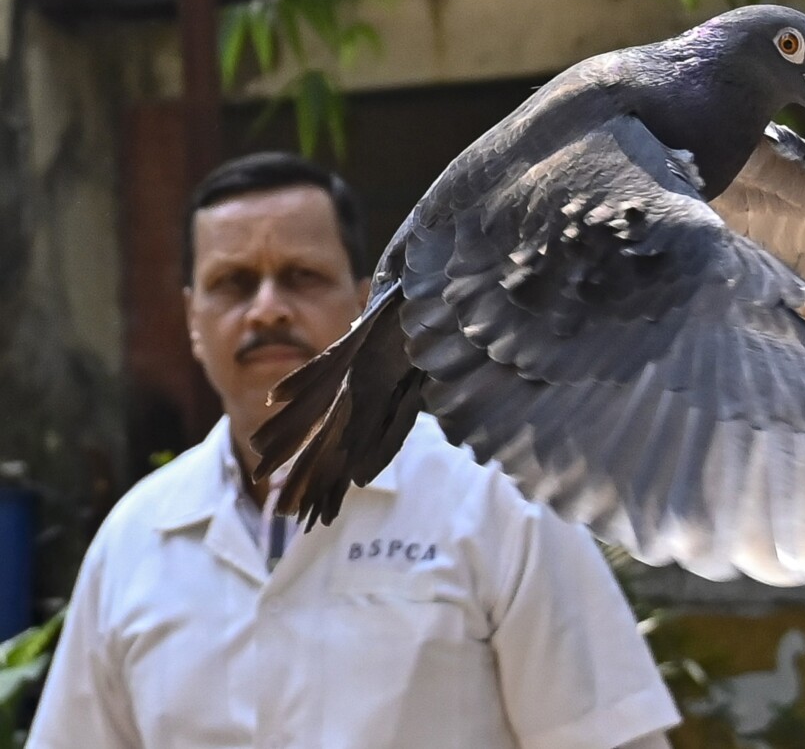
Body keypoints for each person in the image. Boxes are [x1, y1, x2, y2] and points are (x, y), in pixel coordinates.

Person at [28, 152, 681, 749]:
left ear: (365, 304)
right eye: (233, 283)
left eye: (301, 276)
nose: (266, 309)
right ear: (193, 320)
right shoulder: (135, 540)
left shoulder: (495, 504)